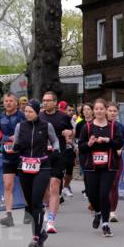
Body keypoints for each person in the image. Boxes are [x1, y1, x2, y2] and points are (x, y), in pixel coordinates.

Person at [13, 99, 59, 247]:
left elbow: (55, 140)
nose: (27, 114)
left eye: (30, 111)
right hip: (24, 166)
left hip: (42, 166)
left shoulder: (46, 126)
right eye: (25, 111)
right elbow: (16, 142)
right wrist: (15, 146)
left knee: (36, 202)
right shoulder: (21, 126)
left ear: (37, 111)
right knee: (30, 204)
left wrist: (56, 149)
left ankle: (35, 237)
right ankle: (41, 233)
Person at [76, 99, 124, 237]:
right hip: (91, 166)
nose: (98, 111)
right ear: (93, 111)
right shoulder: (88, 127)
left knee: (104, 194)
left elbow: (119, 143)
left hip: (109, 166)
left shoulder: (113, 126)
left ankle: (105, 224)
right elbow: (81, 147)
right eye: (96, 109)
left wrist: (108, 140)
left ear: (105, 110)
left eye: (101, 109)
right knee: (92, 194)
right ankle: (97, 212)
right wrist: (90, 144)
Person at [39, 91, 74, 233]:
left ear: (55, 102)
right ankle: (47, 208)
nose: (45, 103)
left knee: (54, 187)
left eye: (48, 100)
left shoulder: (63, 116)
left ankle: (51, 220)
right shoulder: (39, 116)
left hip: (58, 156)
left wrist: (68, 133)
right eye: (44, 100)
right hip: (41, 157)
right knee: (43, 188)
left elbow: (71, 132)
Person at [0, 93, 25, 227]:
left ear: (16, 103)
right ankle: (9, 215)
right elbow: (0, 131)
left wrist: (17, 137)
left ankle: (30, 211)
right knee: (8, 185)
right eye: (6, 101)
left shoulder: (22, 116)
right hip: (7, 155)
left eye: (11, 101)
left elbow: (28, 132)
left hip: (22, 155)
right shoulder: (1, 117)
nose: (8, 103)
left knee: (25, 185)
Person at [106, 102, 124, 223]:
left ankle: (112, 211)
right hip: (103, 159)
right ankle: (102, 208)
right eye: (110, 110)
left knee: (114, 184)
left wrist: (121, 148)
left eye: (115, 111)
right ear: (106, 111)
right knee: (105, 185)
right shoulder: (101, 125)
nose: (112, 113)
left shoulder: (120, 126)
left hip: (117, 159)